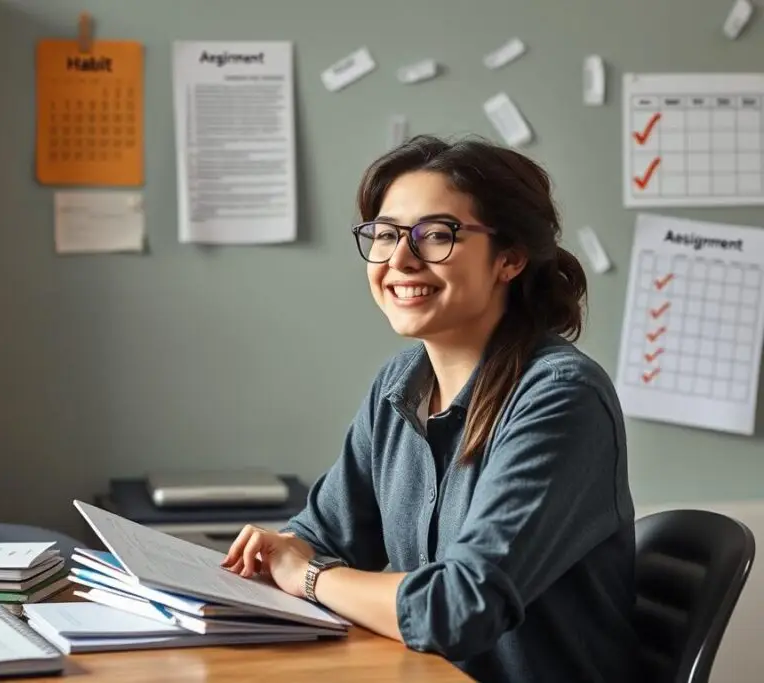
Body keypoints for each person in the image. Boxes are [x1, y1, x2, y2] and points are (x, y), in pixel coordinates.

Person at [221, 135, 640, 683]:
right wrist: (281, 552)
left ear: (510, 258)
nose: (399, 260)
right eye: (385, 234)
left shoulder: (560, 397)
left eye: (436, 235)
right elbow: (323, 536)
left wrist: (308, 576)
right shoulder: (401, 383)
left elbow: (458, 609)